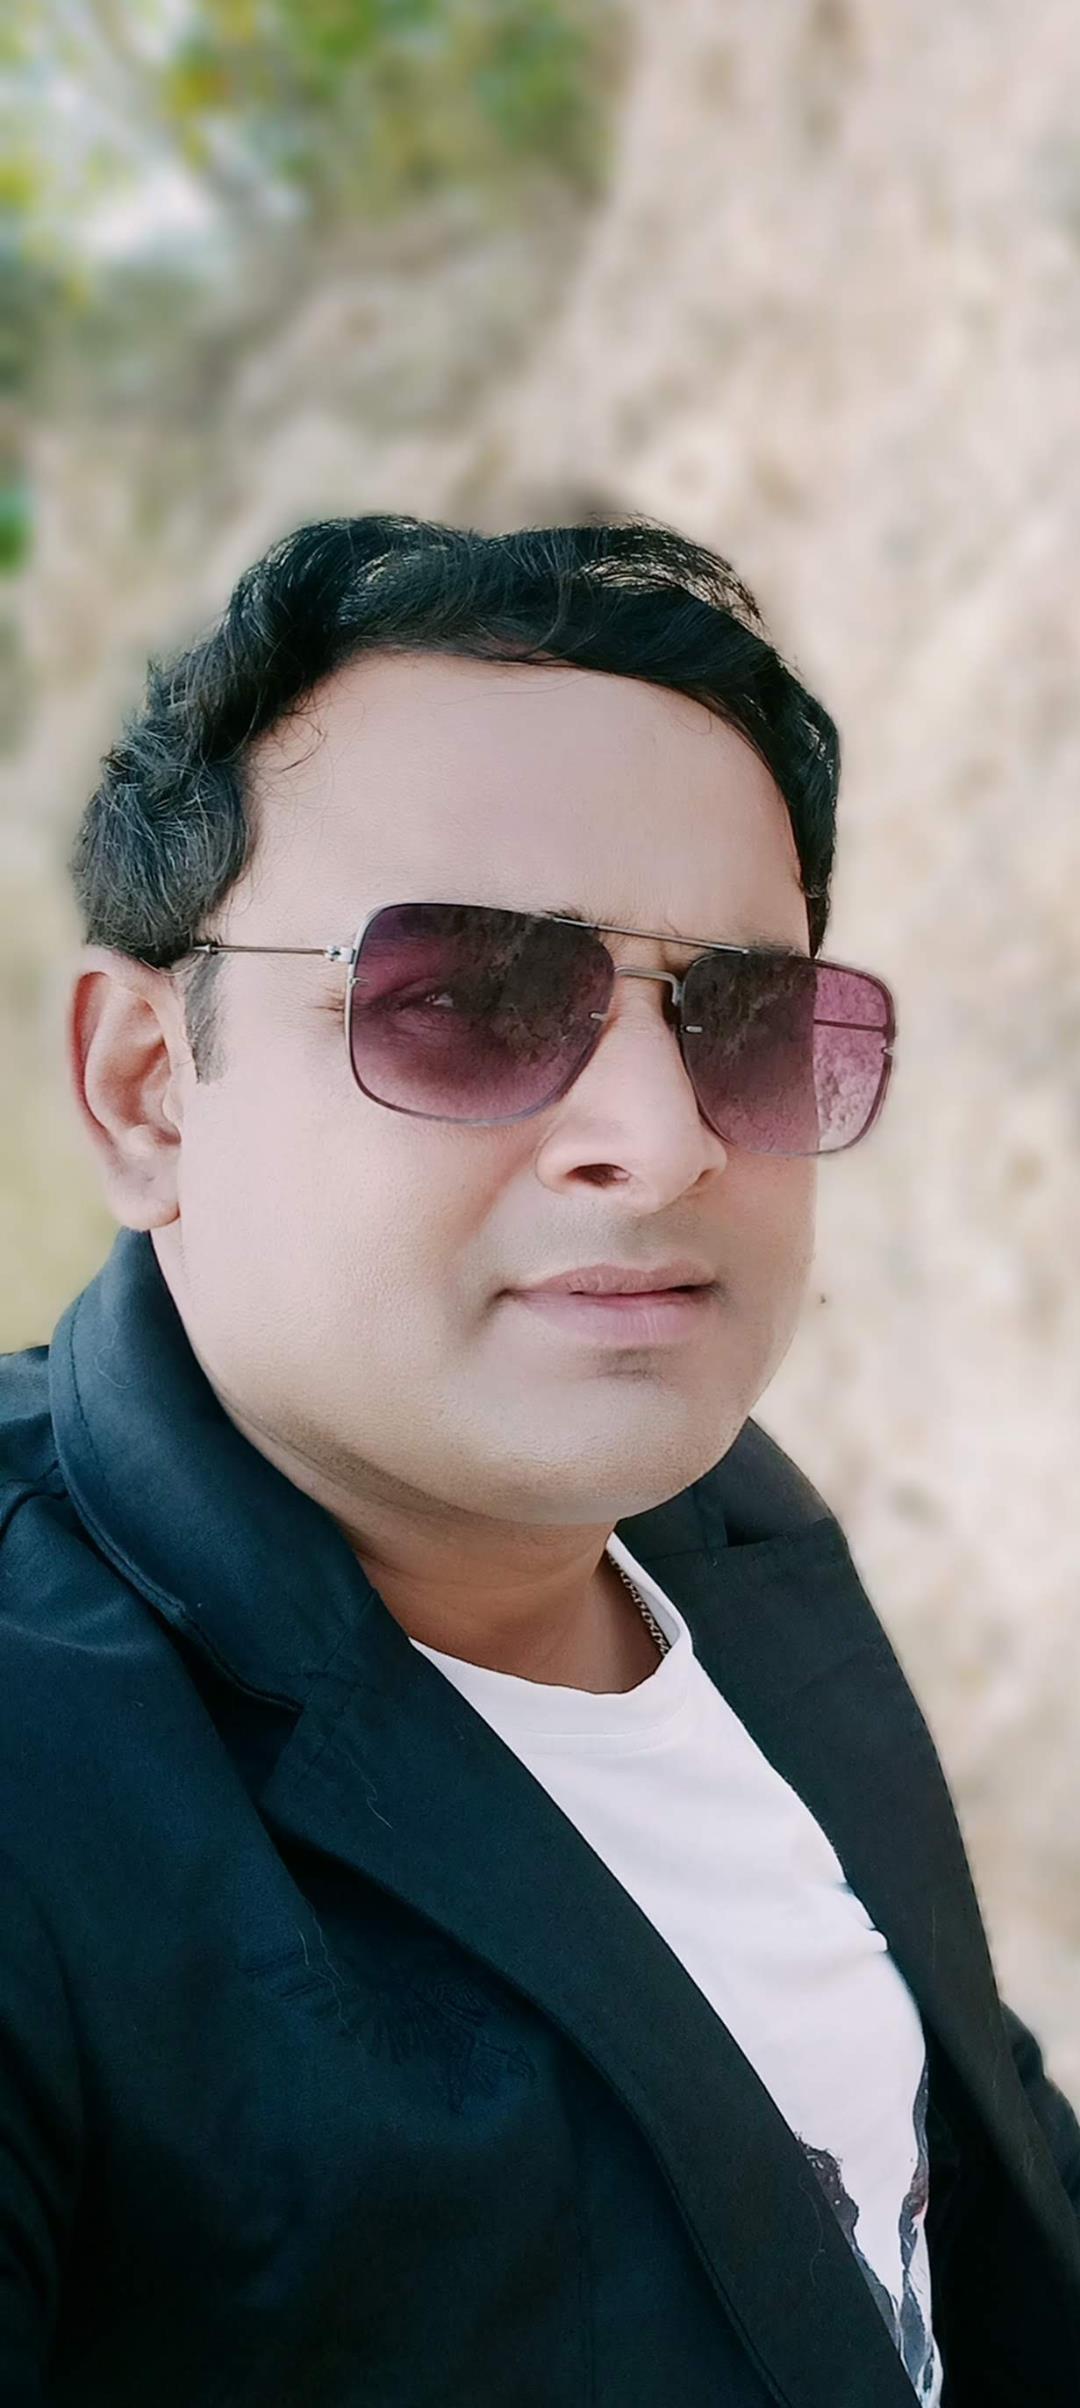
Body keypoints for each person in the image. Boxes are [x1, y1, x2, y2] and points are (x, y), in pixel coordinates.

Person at [1, 513, 1077, 2407]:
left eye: (743, 1017)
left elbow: (957, 2161)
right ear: (148, 1088)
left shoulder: (718, 1525)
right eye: (471, 1000)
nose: (662, 1139)